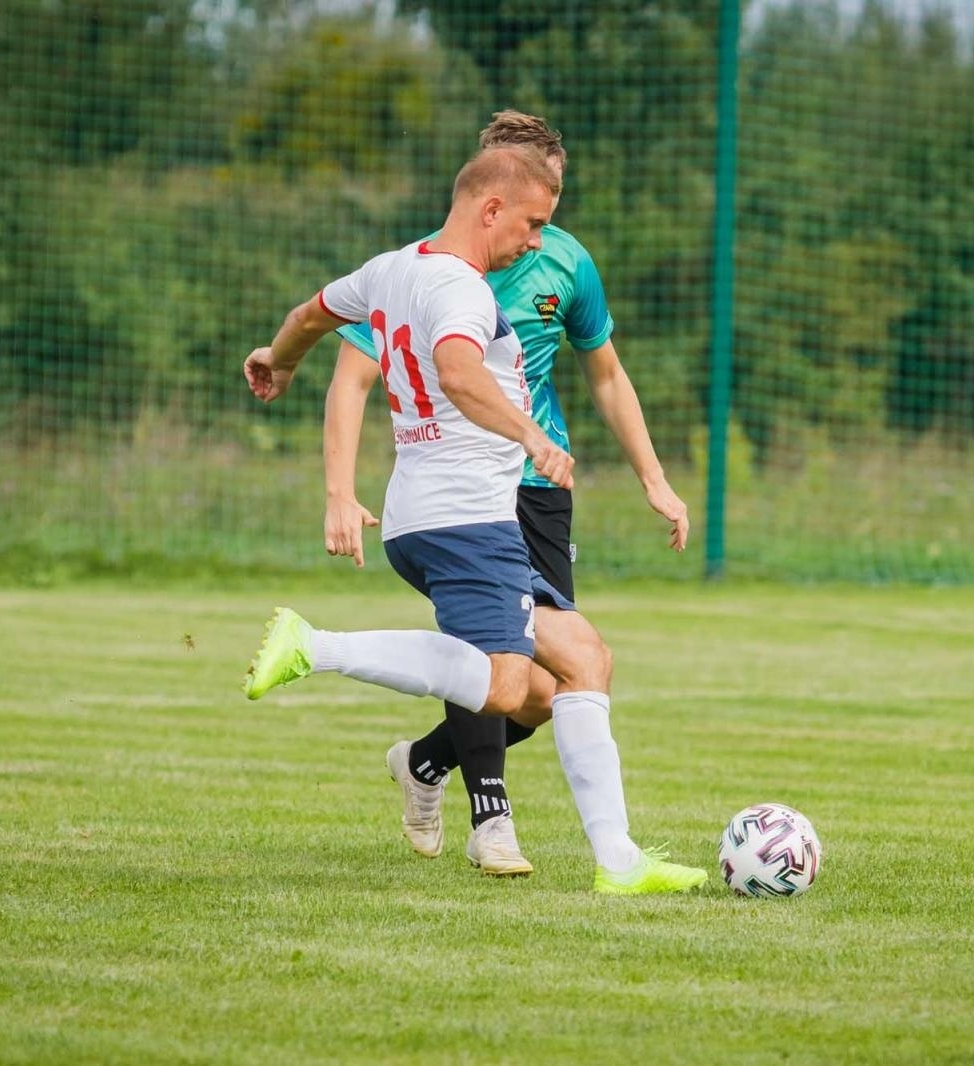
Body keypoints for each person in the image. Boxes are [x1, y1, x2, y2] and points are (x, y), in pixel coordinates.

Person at [241, 144, 706, 896]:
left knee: (581, 664)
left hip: (427, 518)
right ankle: (313, 646)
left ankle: (620, 863)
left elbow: (308, 315)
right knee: (501, 684)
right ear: (490, 209)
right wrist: (530, 435)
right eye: (530, 224)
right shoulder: (462, 291)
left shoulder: (390, 268)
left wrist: (279, 358)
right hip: (467, 521)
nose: (535, 241)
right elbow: (458, 372)